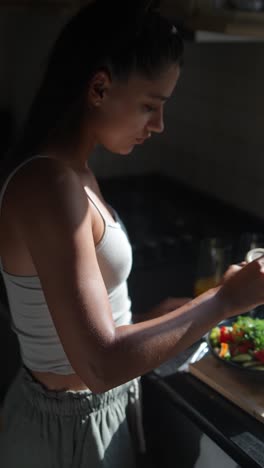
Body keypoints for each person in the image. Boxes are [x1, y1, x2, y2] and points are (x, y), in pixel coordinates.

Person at [1, 1, 264, 467]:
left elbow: (78, 329)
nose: (158, 126)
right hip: (67, 434)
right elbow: (100, 364)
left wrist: (152, 318)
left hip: (91, 418)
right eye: (150, 106)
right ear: (99, 87)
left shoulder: (73, 174)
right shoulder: (49, 185)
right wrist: (224, 299)